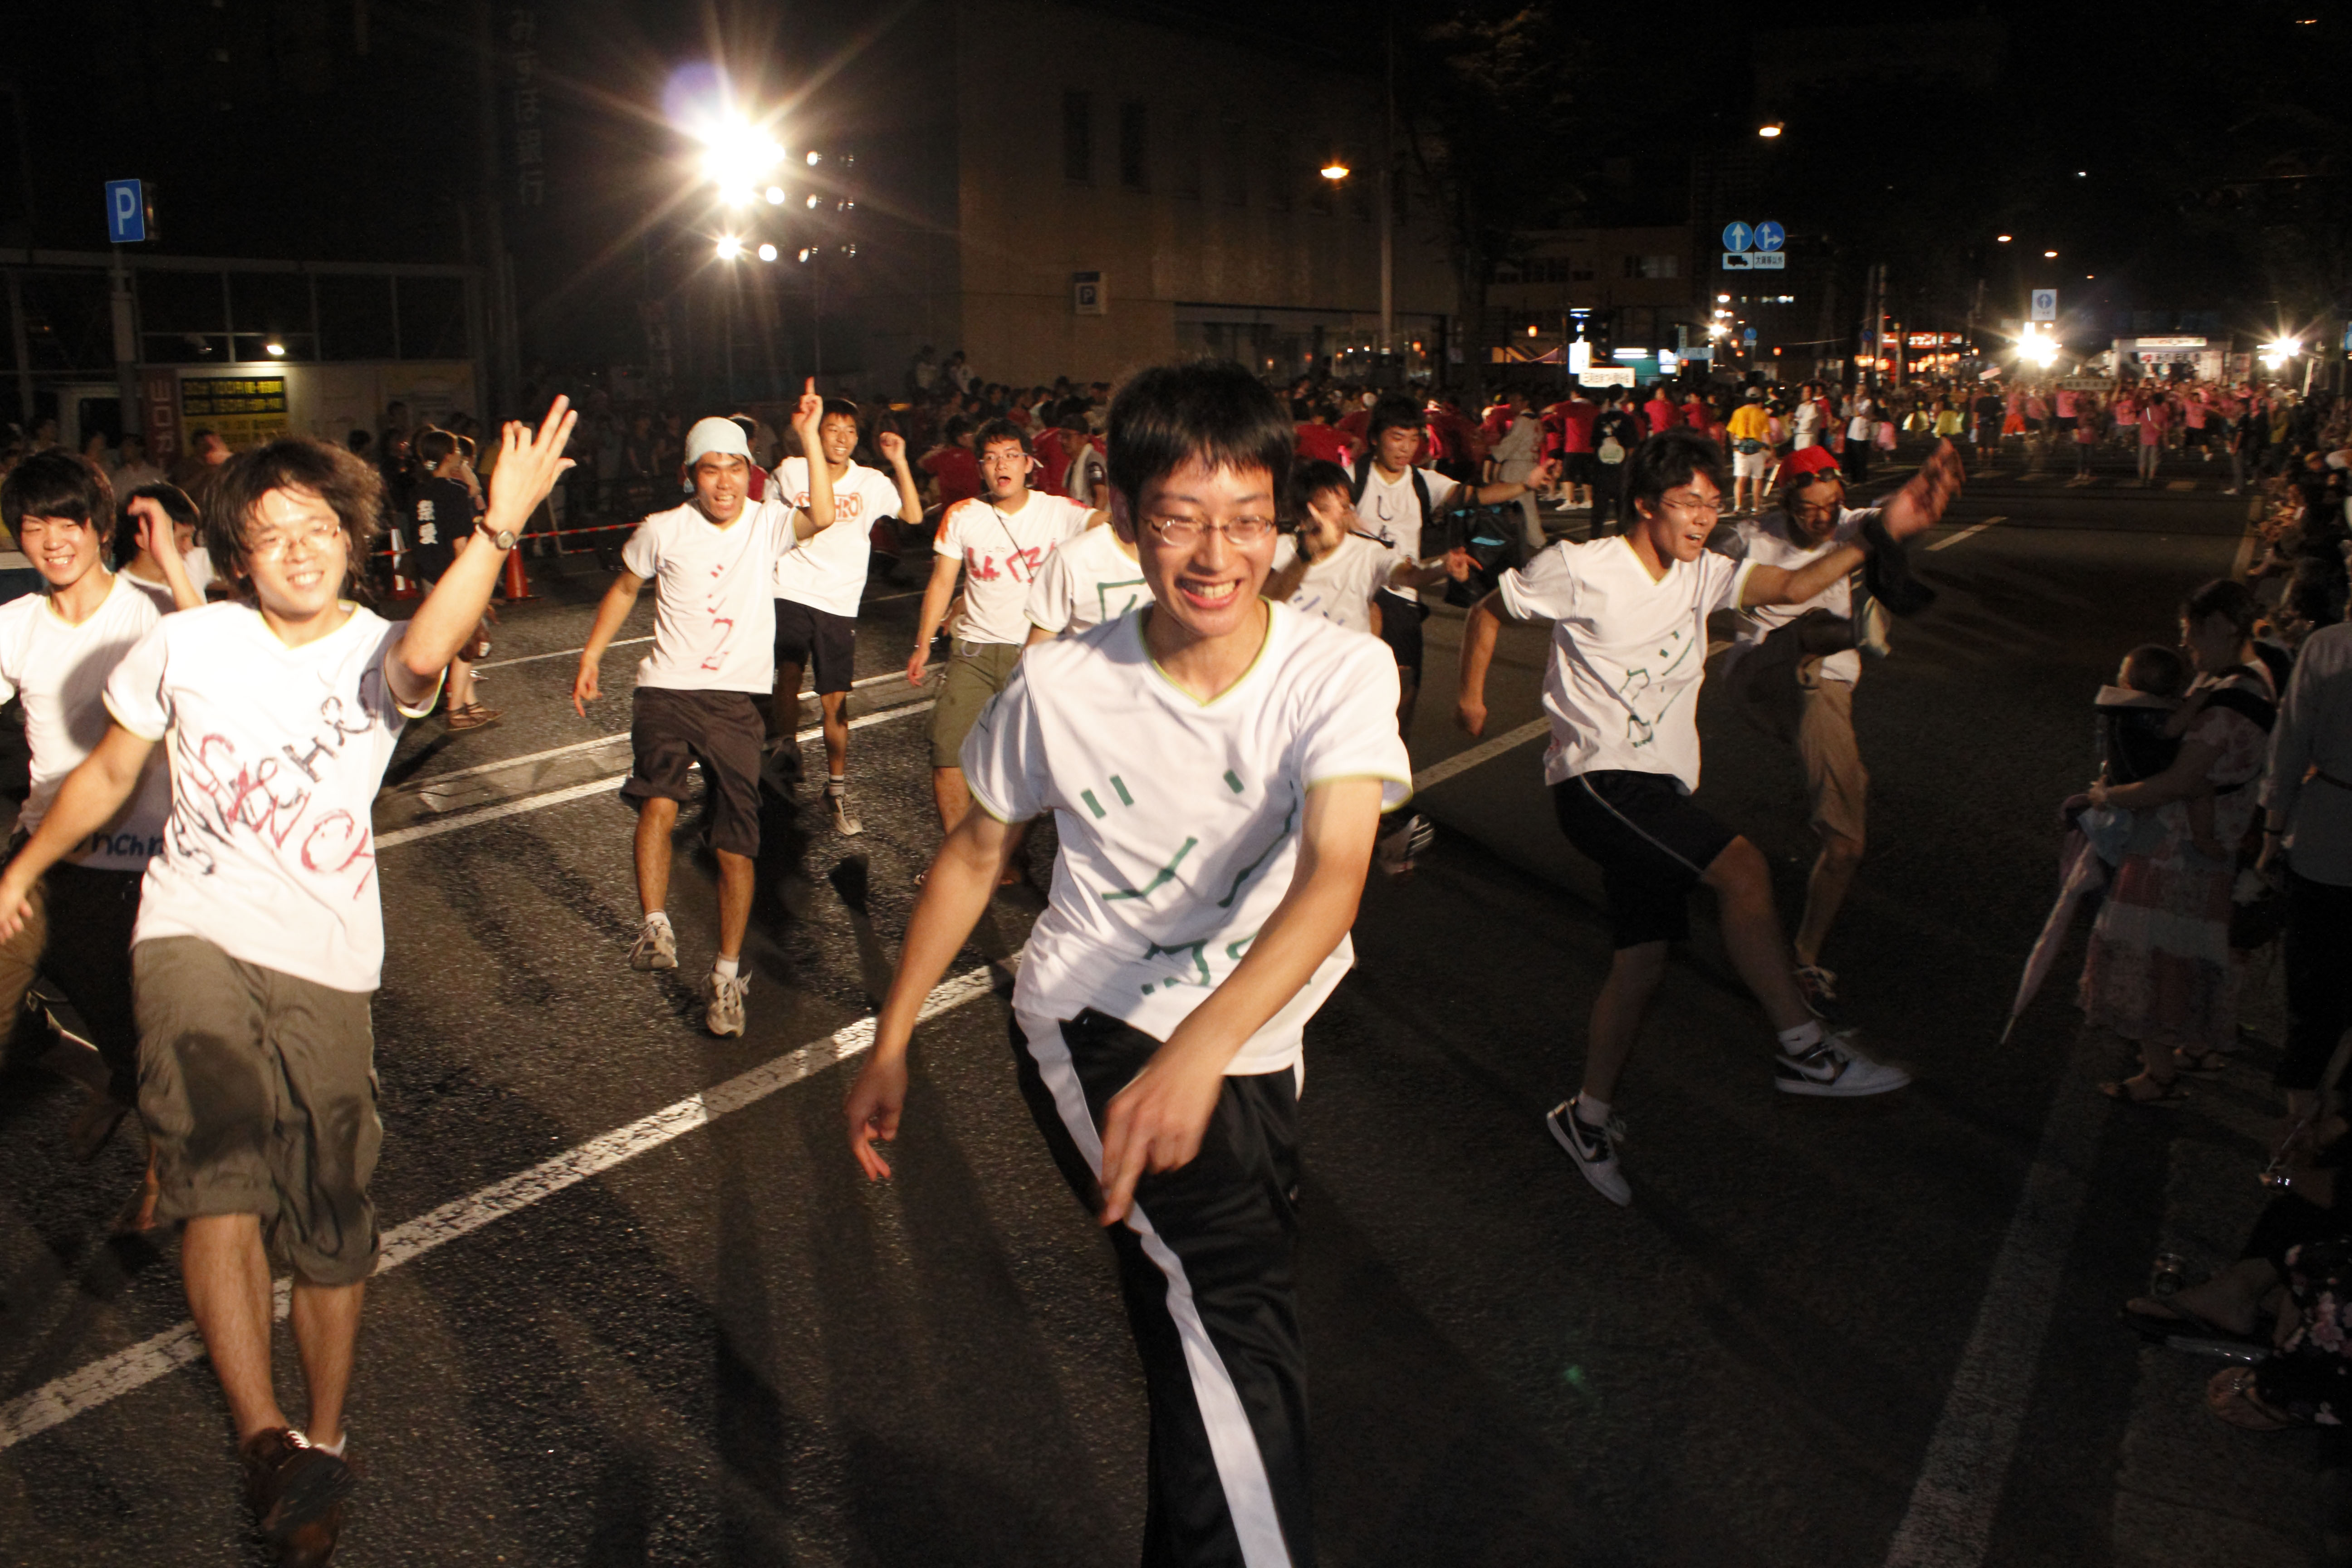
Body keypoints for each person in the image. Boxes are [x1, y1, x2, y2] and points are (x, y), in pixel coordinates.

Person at [844, 359, 1410, 1567]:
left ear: (1284, 520)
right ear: (1121, 515)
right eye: (1181, 520)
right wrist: (891, 1040)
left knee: (1192, 1325)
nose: (1216, 554)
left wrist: (1207, 1048)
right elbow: (976, 854)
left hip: (1248, 1036)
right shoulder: (1061, 684)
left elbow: (1336, 875)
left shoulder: (1341, 670)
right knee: (1235, 1314)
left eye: (1247, 521)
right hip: (1095, 1021)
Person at [0, 402, 573, 1565]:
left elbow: (427, 653)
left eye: (317, 528)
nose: (298, 550)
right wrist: (22, 866)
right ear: (238, 554)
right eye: (270, 534)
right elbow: (107, 774)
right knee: (217, 1179)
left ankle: (322, 1437)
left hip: (327, 956)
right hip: (192, 929)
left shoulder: (378, 650)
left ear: (351, 540)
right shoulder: (188, 643)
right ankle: (264, 1436)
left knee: (331, 1221)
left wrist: (497, 526)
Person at [1454, 429, 1954, 1205]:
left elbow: (1795, 585)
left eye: (1713, 504)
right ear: (1644, 504)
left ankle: (1586, 1118)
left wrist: (1883, 529)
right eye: (1687, 503)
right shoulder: (1581, 567)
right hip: (1599, 780)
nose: (1702, 518)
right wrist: (1470, 696)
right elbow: (1488, 612)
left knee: (1642, 962)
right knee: (1743, 869)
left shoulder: (1705, 572)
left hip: (1657, 788)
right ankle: (1803, 1050)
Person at [573, 389, 833, 1038]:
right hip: (666, 690)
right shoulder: (663, 529)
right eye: (710, 469)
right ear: (690, 475)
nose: (724, 482)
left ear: (751, 473)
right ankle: (655, 926)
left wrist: (809, 436)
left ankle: (726, 977)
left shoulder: (768, 523)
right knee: (659, 799)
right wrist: (593, 654)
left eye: (735, 468)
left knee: (735, 845)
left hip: (737, 702)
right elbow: (626, 585)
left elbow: (824, 515)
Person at [0, 455, 201, 1227]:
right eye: (33, 526)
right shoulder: (18, 624)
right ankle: (101, 1075)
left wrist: (174, 562)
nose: (52, 540)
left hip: (133, 865)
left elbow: (213, 659)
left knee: (137, 1027)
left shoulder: (152, 612)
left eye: (68, 522)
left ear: (101, 527)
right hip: (42, 852)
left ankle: (162, 1167)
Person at [1713, 442, 1957, 1016]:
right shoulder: (1751, 536)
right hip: (1761, 676)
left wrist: (1925, 491)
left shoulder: (1850, 525)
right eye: (1808, 510)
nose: (1822, 519)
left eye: (1831, 505)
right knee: (1809, 625)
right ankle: (1852, 632)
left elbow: (1890, 516)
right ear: (1784, 503)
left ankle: (1804, 956)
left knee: (1846, 843)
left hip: (1824, 689)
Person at [2081, 579, 2276, 1102]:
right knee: (2192, 956)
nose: (2186, 645)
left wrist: (2105, 797)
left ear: (2221, 626)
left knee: (2151, 958)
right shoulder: (2251, 681)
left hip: (2175, 848)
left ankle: (2159, 1073)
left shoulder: (2228, 703)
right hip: (2215, 840)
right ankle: (2197, 1048)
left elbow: (2179, 783)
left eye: (2191, 632)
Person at [908, 419, 1099, 837]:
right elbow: (942, 582)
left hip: (1036, 656)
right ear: (981, 468)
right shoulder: (963, 515)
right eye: (991, 458)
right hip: (974, 653)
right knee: (946, 754)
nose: (1001, 465)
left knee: (1027, 768)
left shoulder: (1059, 511)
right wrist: (923, 643)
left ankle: (1009, 854)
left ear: (1029, 464)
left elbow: (1109, 525)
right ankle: (960, 854)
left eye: (1011, 456)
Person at [769, 397, 922, 835]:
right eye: (833, 429)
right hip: (790, 587)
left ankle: (834, 792)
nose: (842, 438)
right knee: (789, 671)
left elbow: (913, 516)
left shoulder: (870, 481)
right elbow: (766, 522)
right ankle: (786, 751)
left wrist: (900, 460)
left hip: (839, 600)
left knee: (834, 702)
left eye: (850, 431)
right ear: (817, 434)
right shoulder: (791, 471)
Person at [2260, 614, 2352, 1135]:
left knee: (2314, 980)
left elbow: (2291, 742)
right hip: (2328, 832)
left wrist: (2272, 832)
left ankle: (2301, 1116)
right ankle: (2336, 1120)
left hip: (2327, 831)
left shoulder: (2329, 647)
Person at [406, 428, 497, 731]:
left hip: (429, 574)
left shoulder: (418, 492)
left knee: (458, 641)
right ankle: (456, 710)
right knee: (465, 643)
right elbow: (460, 543)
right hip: (452, 574)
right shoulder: (454, 492)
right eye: (457, 450)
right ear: (448, 456)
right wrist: (475, 582)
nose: (461, 456)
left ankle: (471, 703)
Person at [1264, 457, 1407, 635]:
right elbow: (1263, 602)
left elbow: (1405, 573)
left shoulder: (1367, 552)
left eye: (1345, 508)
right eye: (1325, 510)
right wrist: (1307, 554)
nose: (1338, 519)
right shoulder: (1274, 550)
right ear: (1300, 513)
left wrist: (1434, 568)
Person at [117, 481, 217, 613]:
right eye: (182, 538)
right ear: (143, 539)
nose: (190, 547)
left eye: (191, 537)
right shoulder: (121, 597)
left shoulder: (191, 561)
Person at [1725, 389, 1773, 515]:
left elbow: (1732, 433)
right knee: (1757, 479)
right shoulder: (1762, 414)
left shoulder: (1738, 412)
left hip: (1741, 450)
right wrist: (1772, 451)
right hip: (1757, 450)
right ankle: (1756, 507)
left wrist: (1735, 447)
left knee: (1740, 479)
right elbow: (1766, 435)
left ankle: (1738, 506)